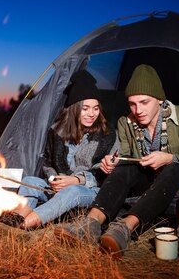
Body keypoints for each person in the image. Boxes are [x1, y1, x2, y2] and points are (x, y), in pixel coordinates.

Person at [53, 64, 179, 258]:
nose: (138, 110)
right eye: (132, 103)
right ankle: (90, 224)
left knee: (174, 167)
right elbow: (127, 156)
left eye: (144, 102)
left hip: (175, 183)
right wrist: (112, 162)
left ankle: (124, 228)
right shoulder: (126, 123)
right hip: (144, 180)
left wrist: (170, 157)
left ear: (160, 100)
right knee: (126, 166)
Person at [9, 69, 119, 229]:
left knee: (72, 191)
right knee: (28, 181)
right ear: (74, 108)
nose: (92, 114)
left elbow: (108, 174)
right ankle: (15, 218)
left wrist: (77, 180)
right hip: (59, 187)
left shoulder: (107, 135)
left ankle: (24, 226)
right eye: (85, 108)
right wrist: (55, 179)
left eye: (96, 108)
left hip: (89, 190)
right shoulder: (57, 132)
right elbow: (47, 162)